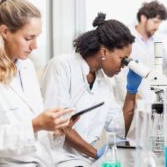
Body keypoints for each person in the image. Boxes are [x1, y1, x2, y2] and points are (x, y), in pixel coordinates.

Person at [0, 0, 73, 166]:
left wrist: (55, 130)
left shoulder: (26, 67)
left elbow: (34, 133)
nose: (35, 45)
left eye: (37, 37)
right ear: (4, 32)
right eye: (28, 38)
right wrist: (35, 125)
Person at [40, 13, 142, 166]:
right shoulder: (61, 66)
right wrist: (95, 153)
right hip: (57, 159)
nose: (123, 66)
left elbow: (120, 131)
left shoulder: (104, 82)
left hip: (86, 160)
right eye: (123, 59)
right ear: (104, 52)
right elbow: (59, 124)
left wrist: (131, 91)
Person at [113, 0, 167, 144]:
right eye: (155, 21)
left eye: (160, 23)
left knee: (152, 144)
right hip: (130, 99)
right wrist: (133, 97)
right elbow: (119, 72)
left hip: (151, 101)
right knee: (130, 143)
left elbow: (165, 67)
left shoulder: (158, 40)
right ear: (143, 17)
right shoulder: (126, 37)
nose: (157, 26)